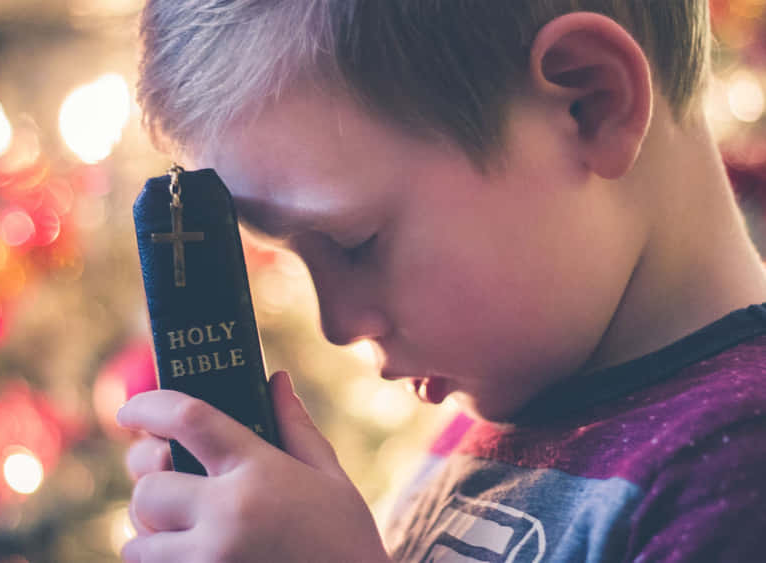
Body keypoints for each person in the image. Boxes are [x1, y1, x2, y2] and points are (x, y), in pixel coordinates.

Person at [116, 1, 766, 561]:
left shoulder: (737, 474)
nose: (337, 325)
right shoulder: (503, 418)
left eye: (355, 244)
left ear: (587, 103)